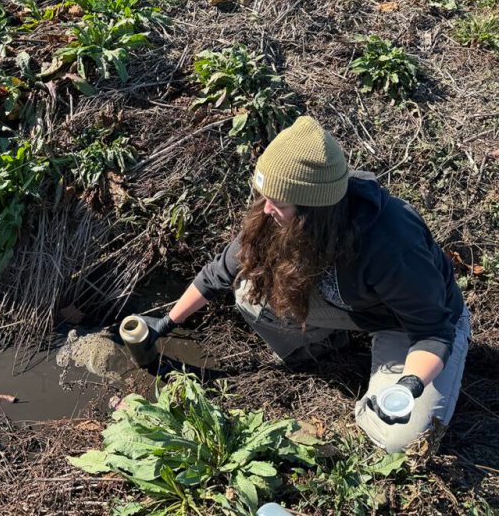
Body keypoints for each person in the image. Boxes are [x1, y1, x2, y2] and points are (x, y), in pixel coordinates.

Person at [141, 116, 471, 454]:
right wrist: (166, 324)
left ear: (315, 210)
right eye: (265, 197)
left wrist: (408, 386)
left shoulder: (390, 242)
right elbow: (219, 273)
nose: (267, 209)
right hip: (355, 306)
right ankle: (320, 349)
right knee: (248, 293)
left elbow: (433, 332)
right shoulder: (278, 213)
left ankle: (375, 402)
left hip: (413, 328)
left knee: (401, 439)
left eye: (278, 203)